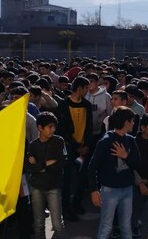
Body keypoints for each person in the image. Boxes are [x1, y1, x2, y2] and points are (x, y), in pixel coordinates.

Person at [88, 106, 141, 239]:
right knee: (106, 227)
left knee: (126, 227)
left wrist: (125, 156)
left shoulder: (130, 140)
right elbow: (92, 166)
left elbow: (138, 164)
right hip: (109, 191)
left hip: (128, 189)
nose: (134, 124)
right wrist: (94, 190)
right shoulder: (106, 141)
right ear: (126, 122)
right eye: (132, 121)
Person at [25, 112, 67, 239]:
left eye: (54, 126)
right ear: (40, 128)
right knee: (38, 223)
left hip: (54, 185)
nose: (53, 130)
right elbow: (29, 167)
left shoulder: (59, 141)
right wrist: (46, 164)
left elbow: (61, 163)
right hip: (36, 186)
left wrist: (39, 164)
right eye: (50, 126)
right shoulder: (32, 145)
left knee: (57, 223)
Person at [57, 76, 93, 221]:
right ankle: (65, 209)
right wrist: (77, 146)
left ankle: (77, 203)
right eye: (86, 88)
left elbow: (89, 126)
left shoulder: (87, 104)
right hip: (69, 147)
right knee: (66, 179)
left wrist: (86, 145)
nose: (87, 91)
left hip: (84, 147)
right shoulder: (64, 104)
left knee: (82, 178)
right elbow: (63, 129)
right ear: (79, 88)